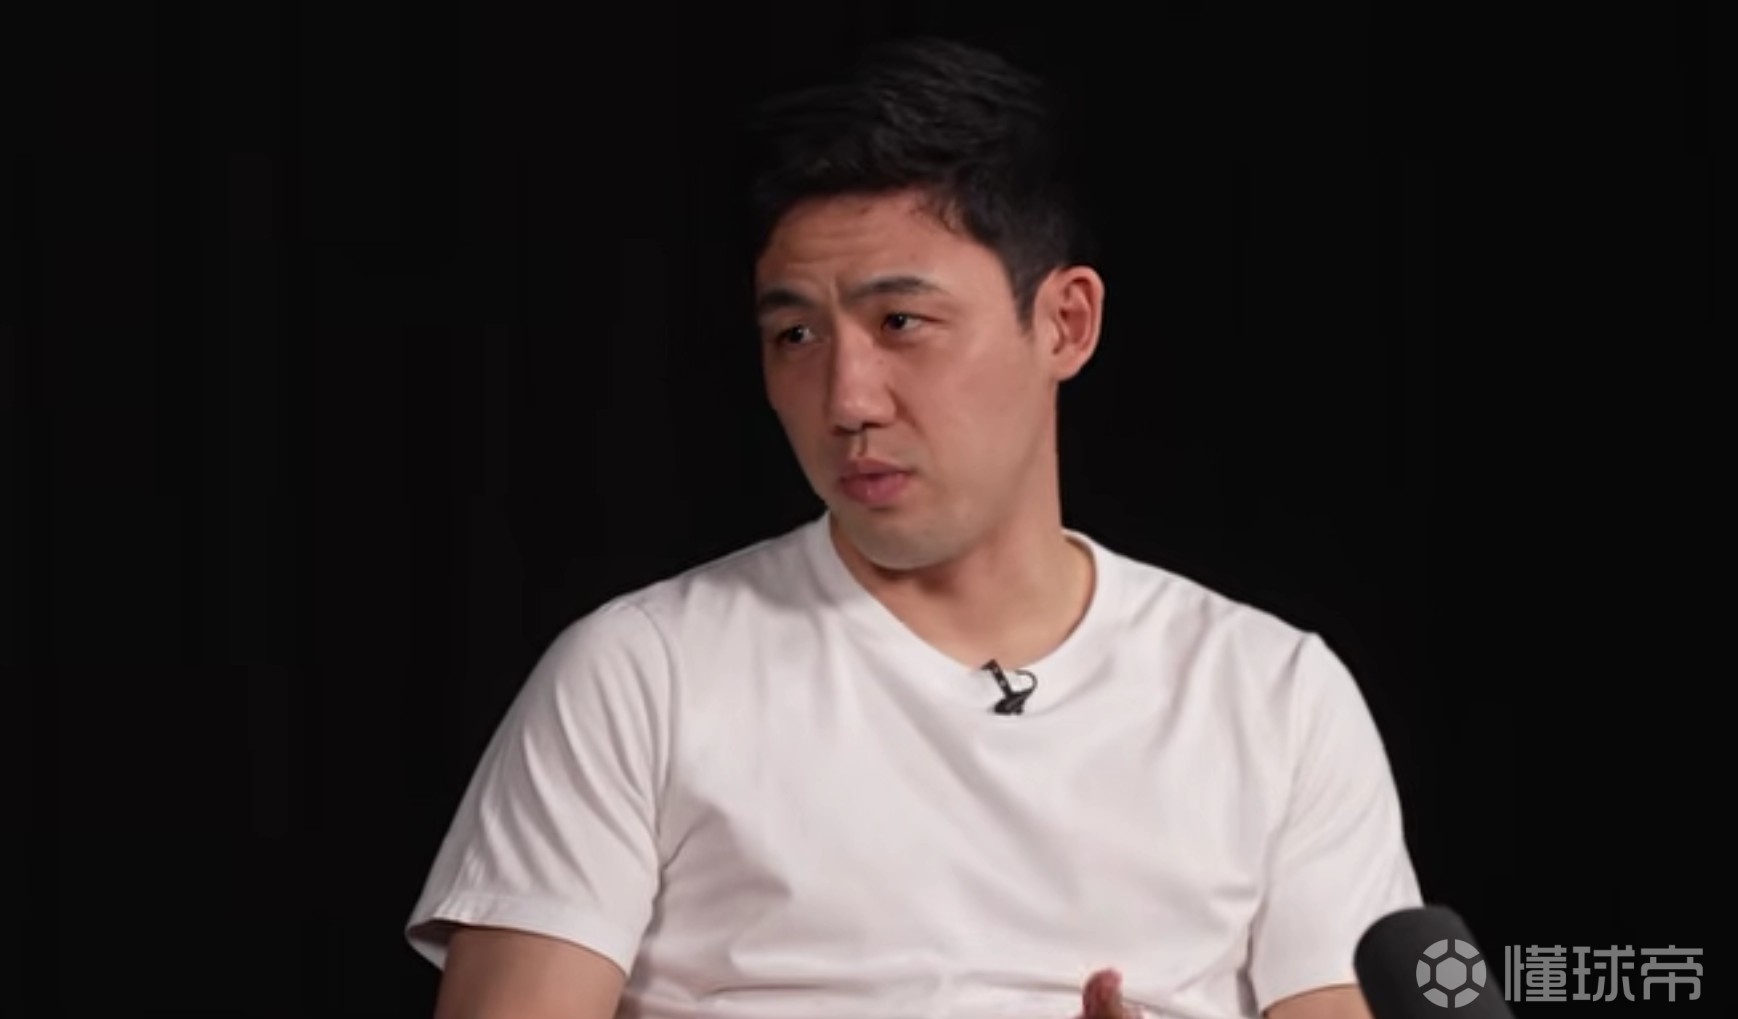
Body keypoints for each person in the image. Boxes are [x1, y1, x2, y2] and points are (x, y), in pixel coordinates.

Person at [404, 36, 1422, 1019]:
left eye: (901, 323)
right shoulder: (641, 673)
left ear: (1064, 322)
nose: (847, 398)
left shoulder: (1270, 692)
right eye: (795, 333)